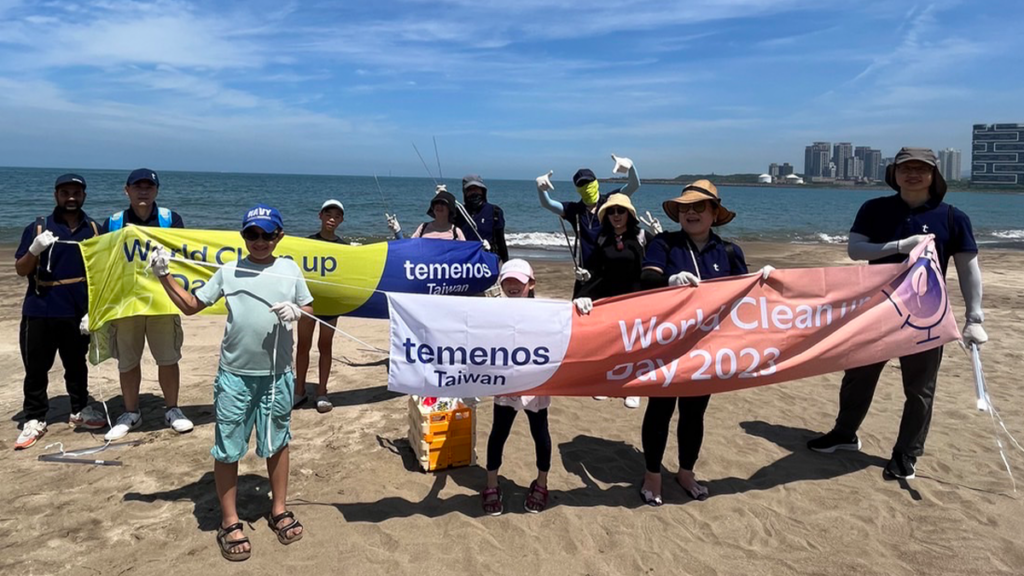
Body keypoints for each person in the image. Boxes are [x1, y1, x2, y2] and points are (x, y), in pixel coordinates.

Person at [807, 147, 987, 481]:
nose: (913, 174)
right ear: (895, 174)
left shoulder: (952, 217)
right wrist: (900, 245)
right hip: (875, 310)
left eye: (921, 168)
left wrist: (974, 317)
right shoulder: (874, 208)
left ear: (934, 175)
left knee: (919, 388)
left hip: (924, 316)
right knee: (857, 376)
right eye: (906, 168)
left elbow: (968, 268)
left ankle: (906, 452)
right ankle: (844, 433)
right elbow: (856, 249)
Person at [151, 204, 313, 562]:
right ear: (243, 236)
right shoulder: (228, 271)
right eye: (252, 234)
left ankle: (279, 509)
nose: (260, 241)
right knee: (228, 448)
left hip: (277, 376)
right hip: (236, 377)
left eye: (267, 234)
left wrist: (298, 312)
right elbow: (192, 305)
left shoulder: (289, 269)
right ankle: (229, 520)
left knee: (277, 442)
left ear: (279, 236)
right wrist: (165, 276)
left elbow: (309, 308)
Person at [635, 179, 767, 505]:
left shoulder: (729, 251)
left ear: (714, 212)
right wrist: (670, 280)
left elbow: (746, 296)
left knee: (694, 412)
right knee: (660, 408)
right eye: (684, 207)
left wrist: (767, 282)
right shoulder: (665, 244)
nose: (690, 212)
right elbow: (646, 277)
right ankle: (652, 473)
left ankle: (686, 471)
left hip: (709, 348)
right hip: (667, 344)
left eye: (698, 207)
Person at [14, 174, 107, 449]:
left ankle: (79, 409)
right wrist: (34, 250)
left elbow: (103, 273)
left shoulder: (95, 229)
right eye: (65, 192)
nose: (70, 198)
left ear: (84, 196)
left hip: (77, 310)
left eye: (76, 193)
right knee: (36, 367)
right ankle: (34, 417)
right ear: (56, 194)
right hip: (40, 308)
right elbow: (21, 269)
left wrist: (95, 310)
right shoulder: (38, 227)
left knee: (77, 365)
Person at [102, 168, 193, 440]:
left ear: (156, 190)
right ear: (126, 190)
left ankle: (172, 409)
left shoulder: (170, 219)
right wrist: (96, 306)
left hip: (162, 301)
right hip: (127, 303)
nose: (143, 191)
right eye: (137, 186)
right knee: (127, 360)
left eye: (148, 186)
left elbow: (186, 255)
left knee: (167, 357)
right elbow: (103, 266)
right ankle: (131, 412)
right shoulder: (113, 222)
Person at [293, 199, 400, 412]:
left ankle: (322, 392)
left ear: (341, 220)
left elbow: (354, 274)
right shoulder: (307, 243)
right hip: (308, 303)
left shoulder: (344, 249)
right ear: (320, 216)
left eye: (337, 215)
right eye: (328, 214)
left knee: (325, 346)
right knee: (303, 345)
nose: (332, 218)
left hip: (331, 305)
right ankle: (299, 391)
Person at [481, 259, 552, 515]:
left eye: (518, 282)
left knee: (540, 433)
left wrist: (579, 307)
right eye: (507, 281)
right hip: (505, 382)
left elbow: (566, 329)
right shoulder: (495, 310)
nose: (512, 287)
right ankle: (491, 483)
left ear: (531, 284)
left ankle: (542, 482)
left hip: (536, 383)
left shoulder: (546, 310)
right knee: (498, 432)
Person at [573, 193, 645, 409]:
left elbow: (652, 267)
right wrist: (582, 291)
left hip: (634, 299)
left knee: (633, 345)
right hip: (609, 298)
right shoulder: (603, 238)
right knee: (610, 344)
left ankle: (632, 388)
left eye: (620, 211)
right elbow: (596, 271)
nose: (616, 215)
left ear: (629, 214)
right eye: (611, 211)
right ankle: (607, 384)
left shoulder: (642, 236)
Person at [535, 154, 641, 297]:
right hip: (585, 273)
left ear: (596, 182)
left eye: (589, 182)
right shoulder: (574, 210)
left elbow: (634, 185)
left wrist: (630, 165)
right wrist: (541, 189)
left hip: (611, 269)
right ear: (577, 189)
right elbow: (548, 204)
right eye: (581, 184)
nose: (586, 187)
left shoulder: (610, 202)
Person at [454, 174, 509, 262]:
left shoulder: (495, 212)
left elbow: (500, 241)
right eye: (470, 190)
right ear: (465, 193)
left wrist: (506, 263)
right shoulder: (458, 212)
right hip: (463, 260)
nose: (474, 192)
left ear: (483, 191)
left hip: (487, 260)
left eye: (476, 189)